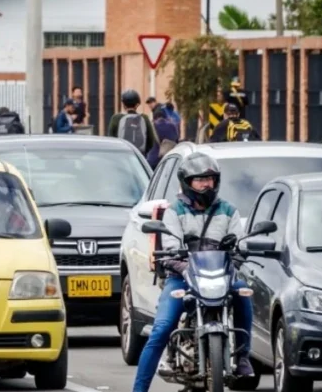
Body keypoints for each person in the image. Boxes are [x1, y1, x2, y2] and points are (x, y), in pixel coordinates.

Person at [132, 152, 254, 392]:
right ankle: (139, 389)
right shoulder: (174, 211)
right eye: (200, 179)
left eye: (210, 178)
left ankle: (243, 357)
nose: (206, 184)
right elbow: (169, 248)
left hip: (221, 277)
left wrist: (242, 251)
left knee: (243, 294)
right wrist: (187, 268)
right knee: (162, 328)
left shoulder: (228, 211)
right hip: (182, 279)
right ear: (187, 183)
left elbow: (240, 246)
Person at [108, 89, 158, 157]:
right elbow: (151, 140)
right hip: (139, 157)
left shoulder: (116, 118)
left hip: (121, 156)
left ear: (124, 104)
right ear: (137, 105)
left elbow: (111, 139)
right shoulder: (144, 118)